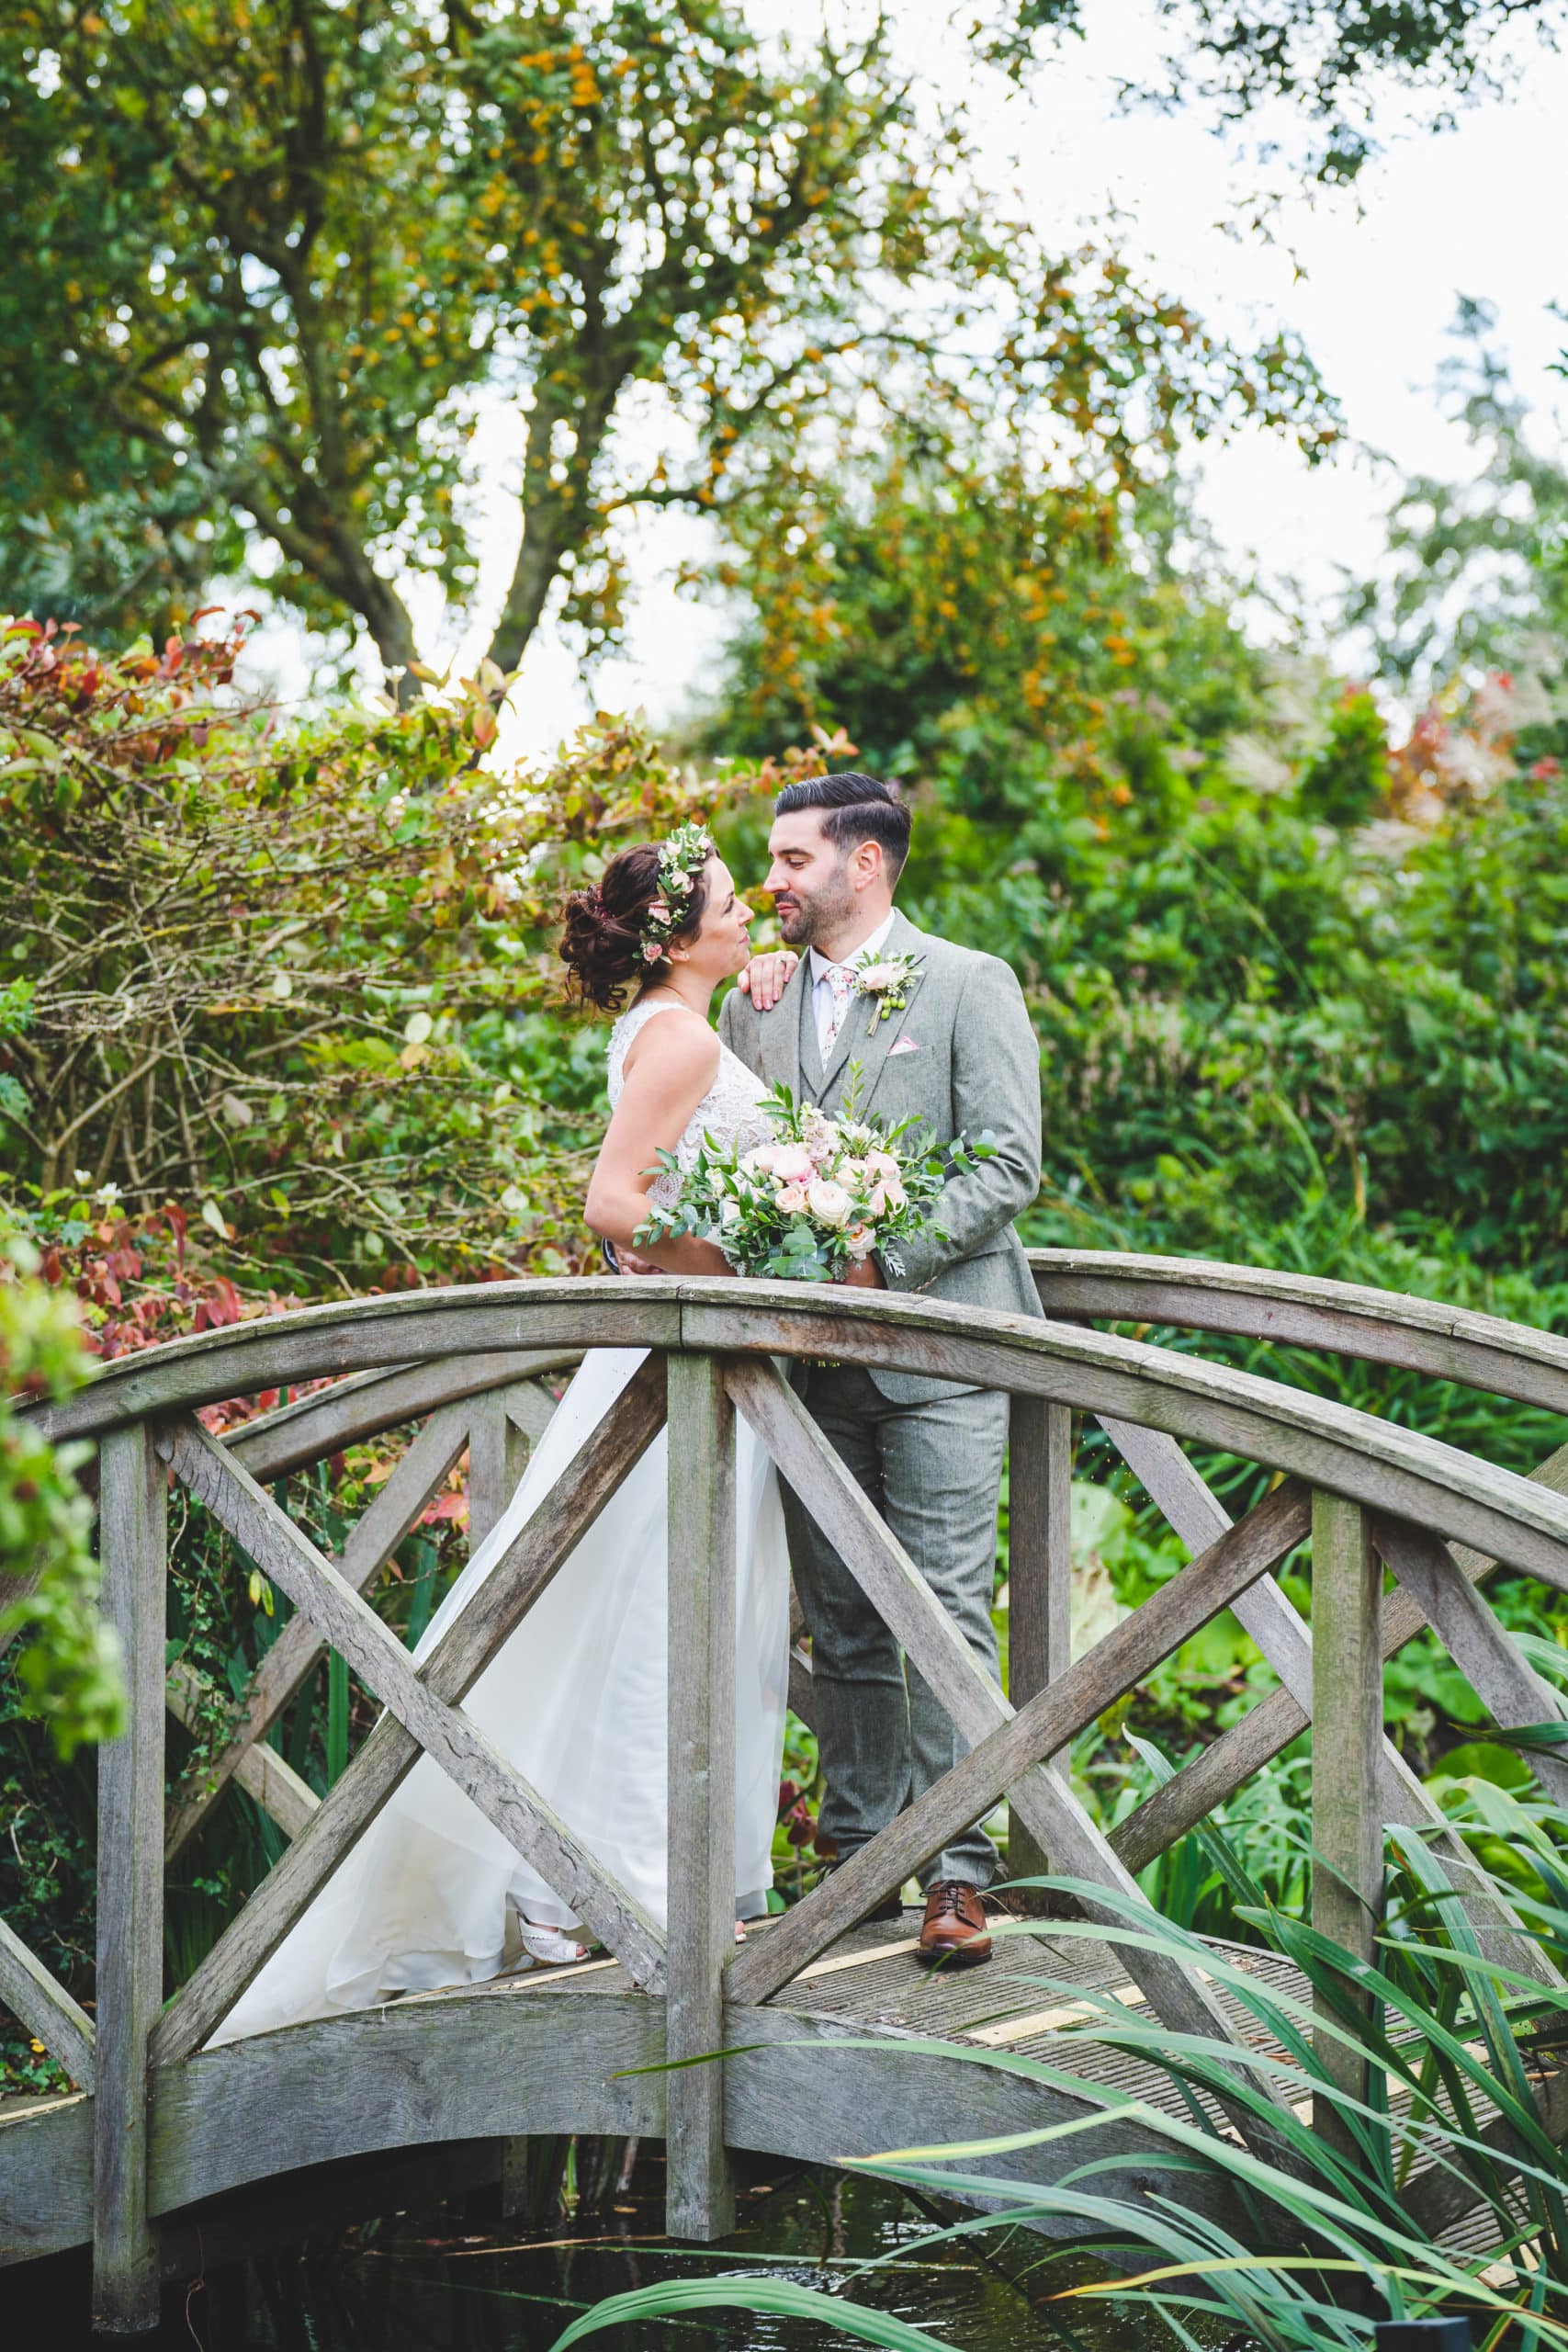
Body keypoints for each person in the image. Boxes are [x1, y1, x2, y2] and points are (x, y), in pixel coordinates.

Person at [211, 828, 792, 2042]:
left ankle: (576, 1889)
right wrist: (739, 1274)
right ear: (679, 937)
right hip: (677, 1367)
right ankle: (625, 1894)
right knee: (654, 1623)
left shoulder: (671, 1024)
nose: (751, 915)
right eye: (734, 903)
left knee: (628, 1619)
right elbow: (614, 1204)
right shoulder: (684, 1039)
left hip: (680, 1363)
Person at [720, 773, 1043, 1968]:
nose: (774, 878)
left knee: (945, 1615)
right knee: (843, 1625)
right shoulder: (755, 1002)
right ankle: (858, 1864)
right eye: (771, 860)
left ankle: (959, 1874)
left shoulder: (966, 983)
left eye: (793, 859)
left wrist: (882, 1256)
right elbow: (734, 1162)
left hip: (943, 1353)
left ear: (864, 864)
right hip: (809, 1371)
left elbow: (1006, 1165)